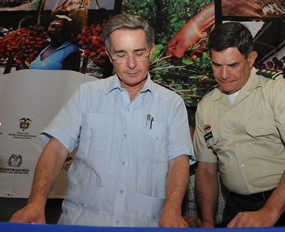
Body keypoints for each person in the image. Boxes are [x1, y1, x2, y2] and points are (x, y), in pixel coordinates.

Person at [10, 14, 193, 228]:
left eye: (139, 53)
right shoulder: (87, 94)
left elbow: (178, 162)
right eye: (121, 54)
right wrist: (36, 202)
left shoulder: (172, 104)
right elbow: (56, 148)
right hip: (82, 222)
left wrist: (172, 210)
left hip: (145, 224)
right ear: (109, 55)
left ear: (151, 51)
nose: (132, 64)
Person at [193, 22, 285, 228]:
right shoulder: (206, 106)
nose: (223, 74)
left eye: (233, 65)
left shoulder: (275, 89)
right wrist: (207, 222)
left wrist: (269, 211)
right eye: (217, 65)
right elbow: (206, 170)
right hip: (238, 208)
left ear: (250, 59)